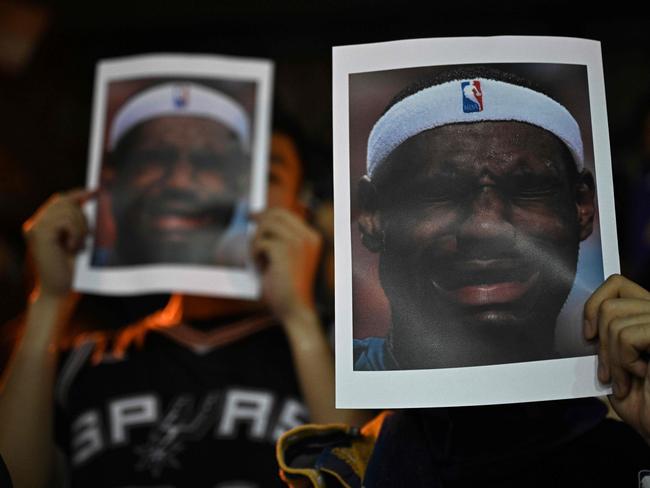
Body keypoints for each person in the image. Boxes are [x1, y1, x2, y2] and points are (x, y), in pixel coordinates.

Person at [0, 126, 369, 487]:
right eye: (219, 169)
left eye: (265, 176)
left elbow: (358, 477)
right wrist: (48, 303)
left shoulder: (345, 348)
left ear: (299, 212)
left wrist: (300, 319)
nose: (239, 195)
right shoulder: (84, 361)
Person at [354, 67, 597, 369]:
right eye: (440, 191)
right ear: (372, 214)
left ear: (582, 206)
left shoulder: (627, 399)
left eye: (527, 188)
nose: (485, 228)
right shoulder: (326, 380)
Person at [95, 81, 253, 267]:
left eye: (207, 163)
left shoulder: (258, 288)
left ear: (241, 184)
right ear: (111, 178)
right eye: (155, 159)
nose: (180, 182)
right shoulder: (70, 283)